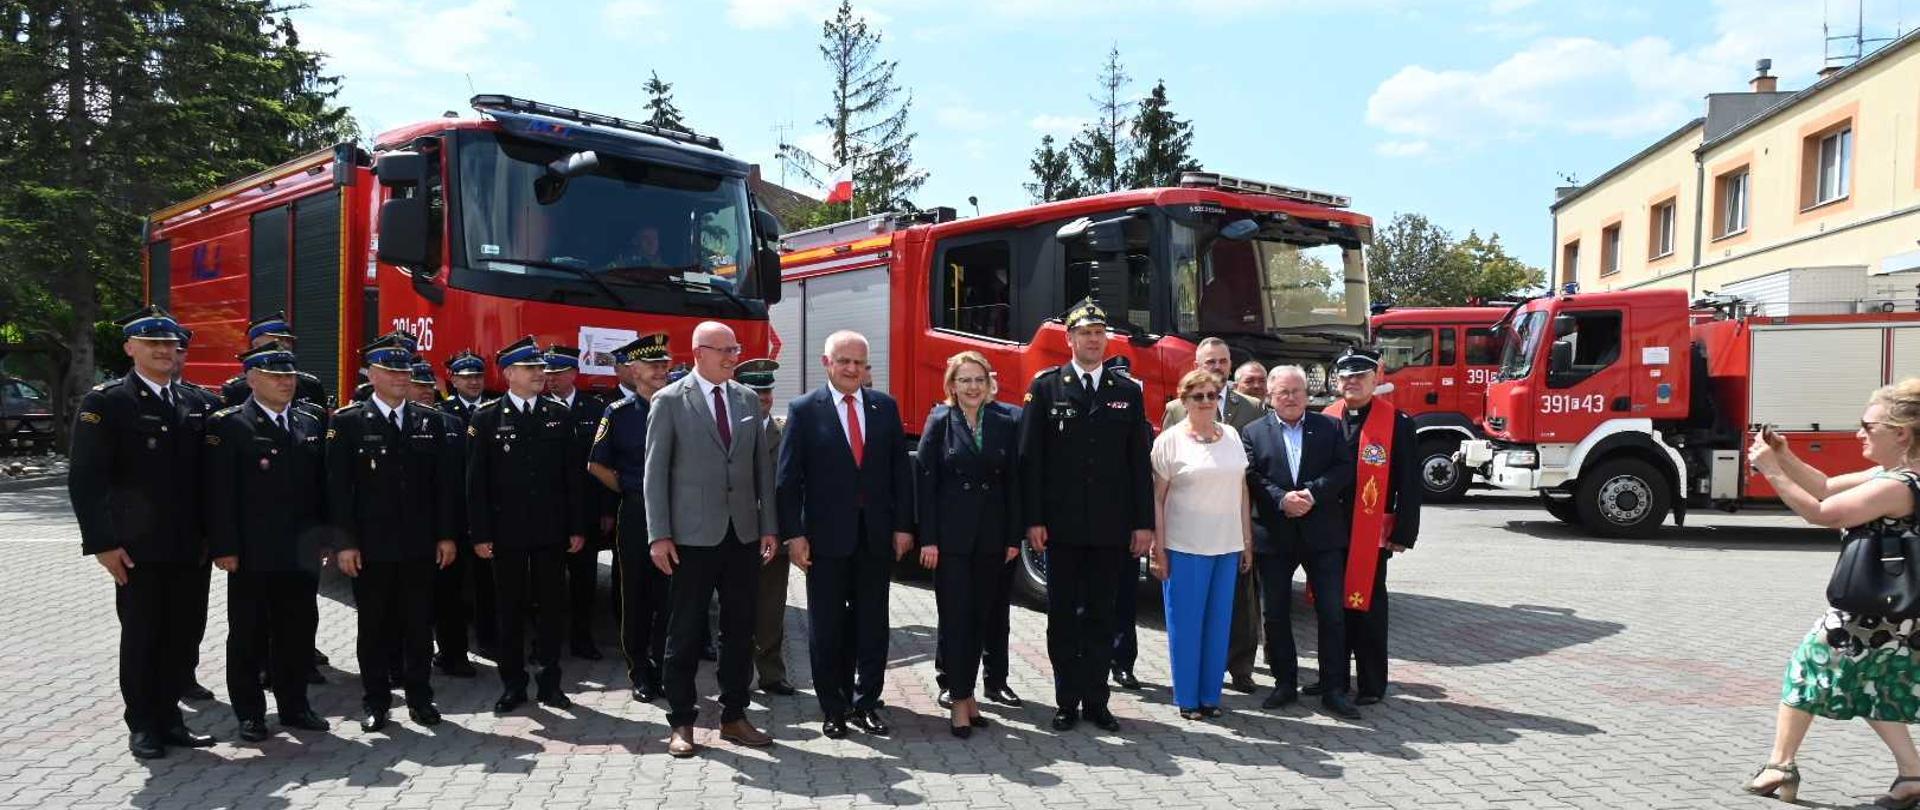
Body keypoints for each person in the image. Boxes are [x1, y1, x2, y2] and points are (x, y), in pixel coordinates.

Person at [1742, 381, 1920, 808]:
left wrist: (1770, 469)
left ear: (1901, 433)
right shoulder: (1893, 477)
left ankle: (1780, 765)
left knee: (1806, 666)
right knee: (1877, 686)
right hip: (1894, 611)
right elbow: (1824, 486)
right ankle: (1912, 776)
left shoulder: (1897, 487)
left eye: (1867, 425)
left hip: (1872, 612)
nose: (1859, 433)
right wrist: (1784, 454)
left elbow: (1819, 512)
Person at [69, 306, 221, 760]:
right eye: (152, 344)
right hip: (137, 548)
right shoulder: (108, 402)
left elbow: (212, 480)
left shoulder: (198, 402)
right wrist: (102, 543)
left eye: (170, 345)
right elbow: (86, 478)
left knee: (182, 634)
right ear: (130, 348)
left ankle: (171, 720)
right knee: (142, 636)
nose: (162, 351)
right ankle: (143, 724)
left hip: (190, 546)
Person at [643, 321, 780, 757]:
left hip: (741, 534)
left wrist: (770, 526)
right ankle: (682, 722)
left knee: (739, 630)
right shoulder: (669, 401)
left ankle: (734, 716)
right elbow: (654, 474)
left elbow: (762, 470)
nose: (732, 357)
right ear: (699, 352)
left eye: (734, 349)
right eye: (724, 350)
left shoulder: (744, 399)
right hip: (690, 538)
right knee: (684, 631)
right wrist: (659, 535)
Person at [1018, 297, 1153, 734]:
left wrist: (1143, 523)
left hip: (1112, 529)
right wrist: (1033, 518)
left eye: (1099, 334)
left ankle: (1097, 699)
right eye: (1085, 334)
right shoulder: (1046, 387)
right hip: (1062, 528)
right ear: (1070, 339)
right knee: (1062, 618)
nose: (1093, 340)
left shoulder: (1127, 392)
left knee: (1102, 615)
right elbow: (1030, 461)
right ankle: (1065, 700)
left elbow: (1138, 465)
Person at [778, 331, 915, 739]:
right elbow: (788, 481)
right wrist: (794, 535)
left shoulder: (884, 408)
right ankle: (833, 707)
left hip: (875, 539)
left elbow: (899, 475)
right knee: (828, 627)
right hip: (825, 540)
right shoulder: (804, 410)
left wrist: (903, 526)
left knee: (873, 625)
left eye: (859, 362)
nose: (852, 369)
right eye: (844, 361)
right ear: (827, 363)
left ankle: (867, 703)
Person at [328, 337, 459, 733]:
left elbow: (443, 486)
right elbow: (337, 490)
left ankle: (421, 699)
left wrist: (446, 535)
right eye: (393, 371)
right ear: (373, 374)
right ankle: (376, 701)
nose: (402, 378)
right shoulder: (349, 422)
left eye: (406, 371)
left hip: (419, 544)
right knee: (375, 627)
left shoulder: (428, 420)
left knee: (418, 625)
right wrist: (345, 542)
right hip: (371, 547)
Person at [203, 342, 330, 743]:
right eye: (276, 376)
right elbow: (218, 494)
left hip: (301, 551)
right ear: (252, 379)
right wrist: (223, 547)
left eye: (290, 375)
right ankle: (250, 712)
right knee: (249, 634)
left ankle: (295, 705)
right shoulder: (230, 425)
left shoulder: (310, 420)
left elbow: (322, 488)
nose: (286, 382)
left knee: (297, 631)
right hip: (252, 552)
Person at [467, 336, 586, 714]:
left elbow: (573, 479)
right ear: (509, 374)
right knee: (510, 610)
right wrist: (481, 533)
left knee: (552, 609)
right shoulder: (486, 417)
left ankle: (551, 683)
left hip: (551, 531)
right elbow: (476, 483)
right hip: (507, 533)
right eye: (532, 369)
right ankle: (513, 684)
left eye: (541, 368)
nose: (541, 374)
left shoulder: (558, 414)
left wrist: (576, 526)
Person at [917, 351, 1022, 738]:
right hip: (951, 540)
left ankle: (971, 695)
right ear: (952, 385)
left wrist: (1013, 537)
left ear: (989, 383)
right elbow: (924, 484)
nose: (973, 387)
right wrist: (928, 538)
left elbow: (1014, 482)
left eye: (979, 379)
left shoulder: (1003, 421)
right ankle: (959, 701)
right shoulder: (939, 420)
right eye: (965, 380)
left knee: (980, 620)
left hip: (993, 538)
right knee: (957, 620)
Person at [1243, 365, 1356, 718]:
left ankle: (1334, 688)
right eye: (1283, 392)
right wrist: (1281, 499)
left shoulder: (1330, 426)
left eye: (1297, 391)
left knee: (1332, 613)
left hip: (1321, 533)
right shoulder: (1251, 432)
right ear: (1270, 397)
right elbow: (1252, 475)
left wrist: (1311, 494)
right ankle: (1285, 683)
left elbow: (1344, 468)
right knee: (1274, 613)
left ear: (1307, 394)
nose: (1290, 398)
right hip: (1274, 535)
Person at [1316, 347, 1421, 707]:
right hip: (1330, 530)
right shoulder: (1326, 418)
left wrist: (1404, 532)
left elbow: (1409, 482)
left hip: (1371, 531)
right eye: (1346, 377)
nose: (1353, 382)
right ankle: (1334, 677)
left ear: (1376, 378)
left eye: (1360, 376)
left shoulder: (1398, 423)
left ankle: (1372, 683)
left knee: (1369, 608)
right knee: (1332, 606)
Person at [1159, 338, 1265, 693]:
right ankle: (1193, 688)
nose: (1217, 368)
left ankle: (1228, 679)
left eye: (1222, 361)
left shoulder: (1244, 418)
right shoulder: (1173, 422)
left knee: (1232, 613)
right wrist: (1157, 544)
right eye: (1210, 362)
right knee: (1191, 617)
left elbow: (1247, 481)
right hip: (1186, 538)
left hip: (1230, 535)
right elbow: (1159, 488)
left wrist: (1248, 537)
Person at [1148, 369, 1251, 720]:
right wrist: (1158, 549)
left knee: (1219, 624)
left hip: (1227, 544)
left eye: (1211, 395)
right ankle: (1188, 698)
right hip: (1184, 546)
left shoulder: (1234, 436)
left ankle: (1211, 696)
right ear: (1183, 401)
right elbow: (1157, 499)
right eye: (1198, 396)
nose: (1206, 402)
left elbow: (1241, 490)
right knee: (1186, 625)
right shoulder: (1170, 440)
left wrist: (1246, 541)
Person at [587, 333, 672, 703]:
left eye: (663, 365)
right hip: (637, 510)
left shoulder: (678, 406)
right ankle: (640, 670)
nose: (660, 371)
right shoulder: (618, 413)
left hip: (676, 511)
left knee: (670, 594)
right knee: (635, 592)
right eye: (652, 366)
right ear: (634, 371)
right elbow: (596, 464)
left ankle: (666, 664)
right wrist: (628, 488)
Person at [545, 344, 612, 661]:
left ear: (573, 374)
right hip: (549, 512)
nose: (552, 379)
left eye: (558, 374)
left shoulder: (594, 408)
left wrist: (605, 511)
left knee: (584, 582)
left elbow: (603, 463)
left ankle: (582, 639)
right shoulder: (540, 408)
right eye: (548, 374)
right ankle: (545, 643)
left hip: (585, 511)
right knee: (546, 585)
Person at [736, 358, 798, 696]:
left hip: (774, 534)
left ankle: (772, 674)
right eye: (756, 391)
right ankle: (736, 677)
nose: (764, 398)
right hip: (736, 533)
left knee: (771, 609)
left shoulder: (784, 430)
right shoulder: (726, 429)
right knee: (737, 609)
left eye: (768, 391)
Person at [169, 327, 221, 704]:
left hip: (196, 536)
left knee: (191, 613)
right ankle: (152, 695)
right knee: (147, 623)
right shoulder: (112, 401)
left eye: (179, 351)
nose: (173, 357)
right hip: (144, 537)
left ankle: (183, 675)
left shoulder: (204, 402)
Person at [438, 348, 496, 666]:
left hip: (485, 512)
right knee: (452, 586)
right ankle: (452, 650)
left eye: (478, 376)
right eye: (466, 376)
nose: (474, 382)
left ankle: (488, 640)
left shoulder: (493, 410)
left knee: (488, 584)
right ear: (453, 379)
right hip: (455, 511)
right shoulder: (441, 413)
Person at [219, 311, 329, 409]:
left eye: (288, 340)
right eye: (279, 339)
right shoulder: (237, 389)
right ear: (256, 344)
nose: (285, 345)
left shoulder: (310, 385)